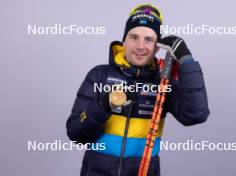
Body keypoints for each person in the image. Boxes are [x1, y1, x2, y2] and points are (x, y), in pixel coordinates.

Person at [66, 4, 209, 176]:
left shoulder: (163, 82)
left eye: (148, 39)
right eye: (134, 37)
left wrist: (186, 60)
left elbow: (195, 115)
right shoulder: (100, 75)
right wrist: (103, 105)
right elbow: (75, 134)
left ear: (158, 46)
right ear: (124, 40)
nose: (140, 46)